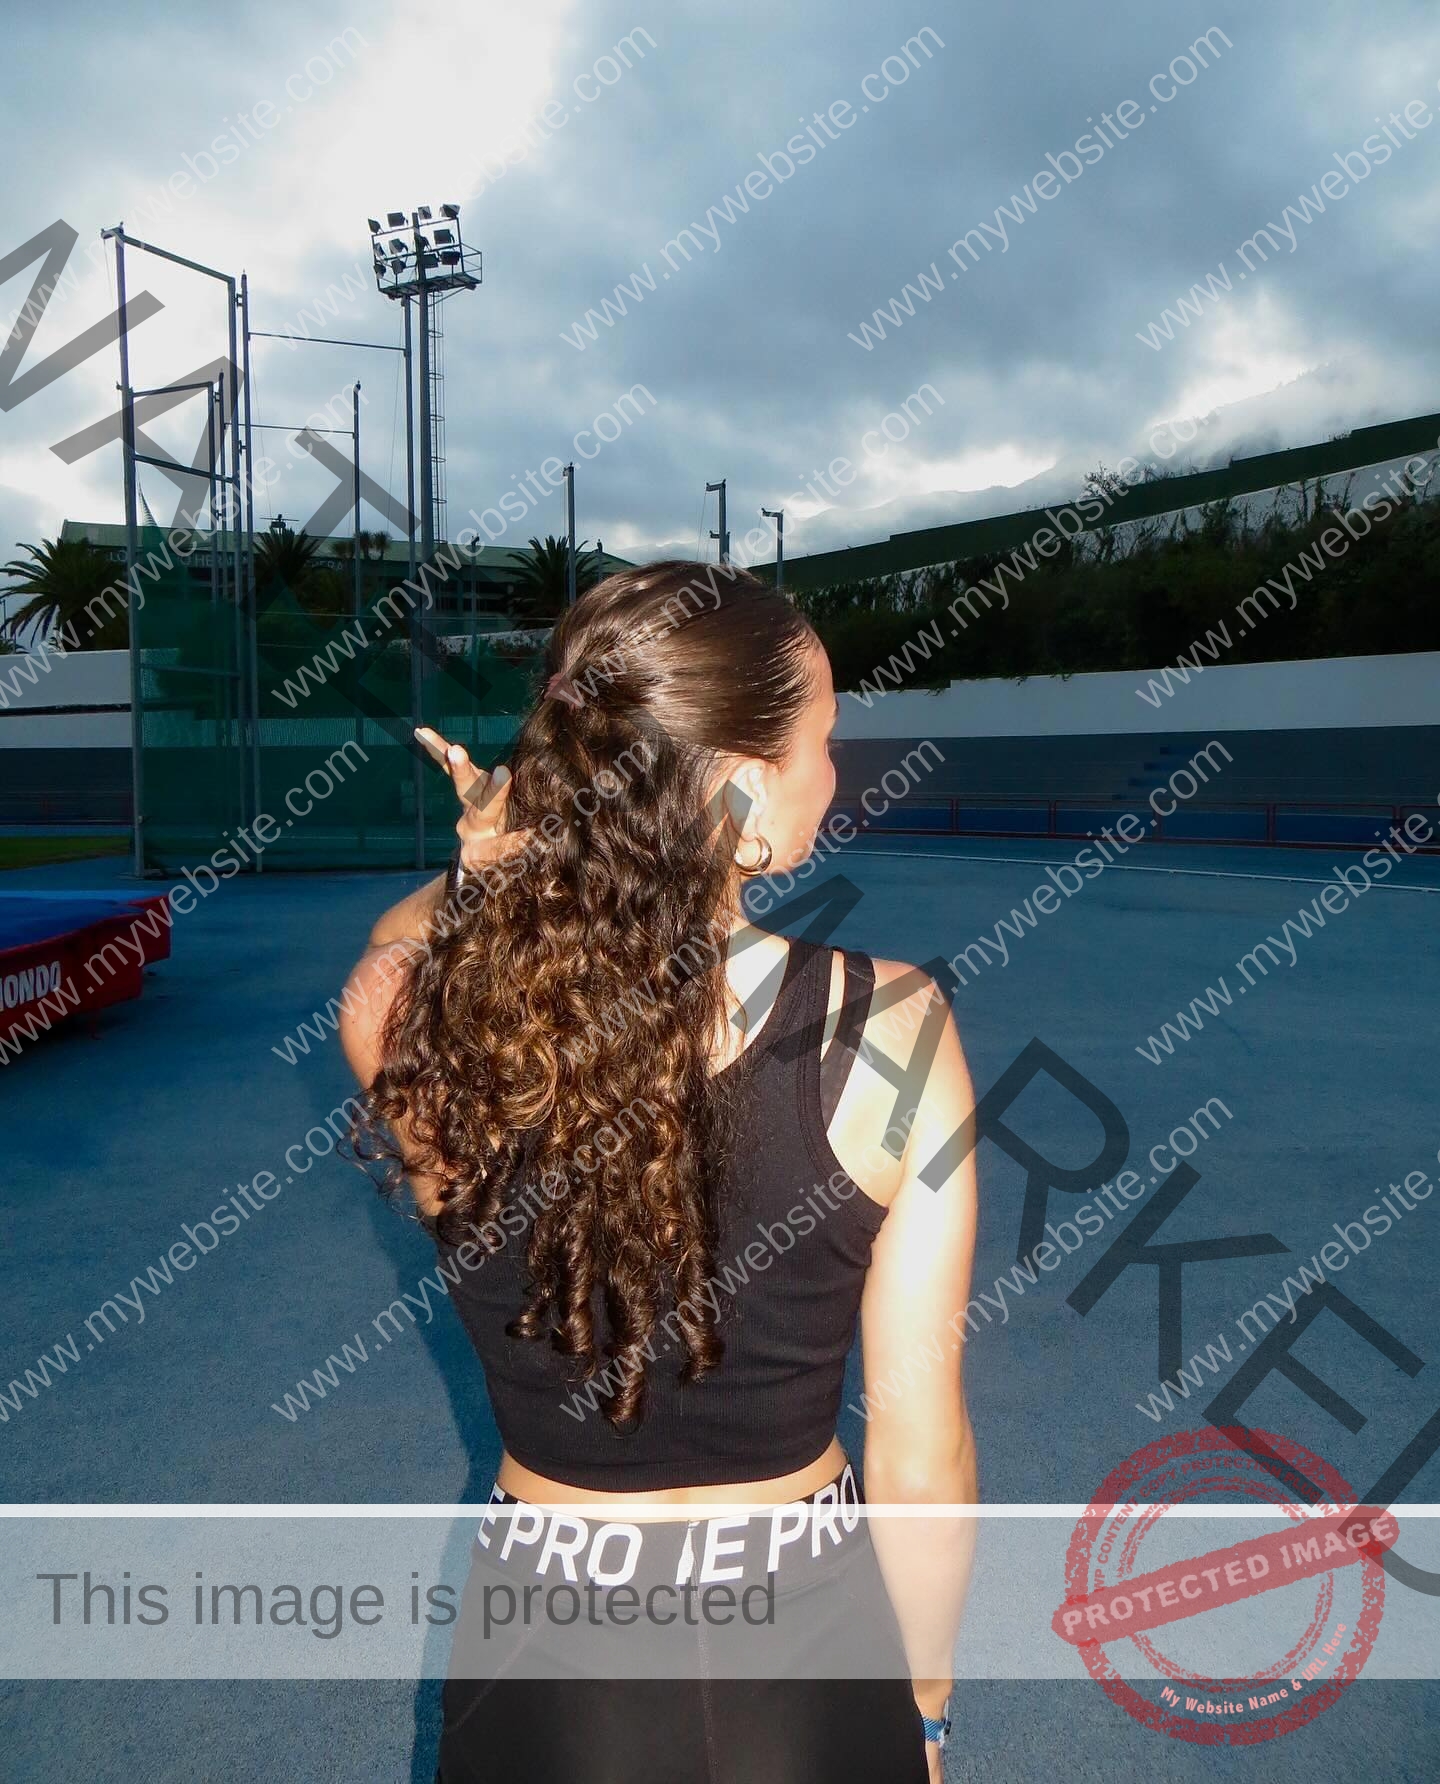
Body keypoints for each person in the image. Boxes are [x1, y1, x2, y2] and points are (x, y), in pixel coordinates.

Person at [339, 561, 978, 1783]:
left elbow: (387, 956)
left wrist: (498, 862)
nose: (836, 767)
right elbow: (921, 1446)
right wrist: (929, 1706)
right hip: (813, 1649)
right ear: (744, 787)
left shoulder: (428, 1027)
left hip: (546, 1658)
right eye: (824, 737)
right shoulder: (894, 1025)